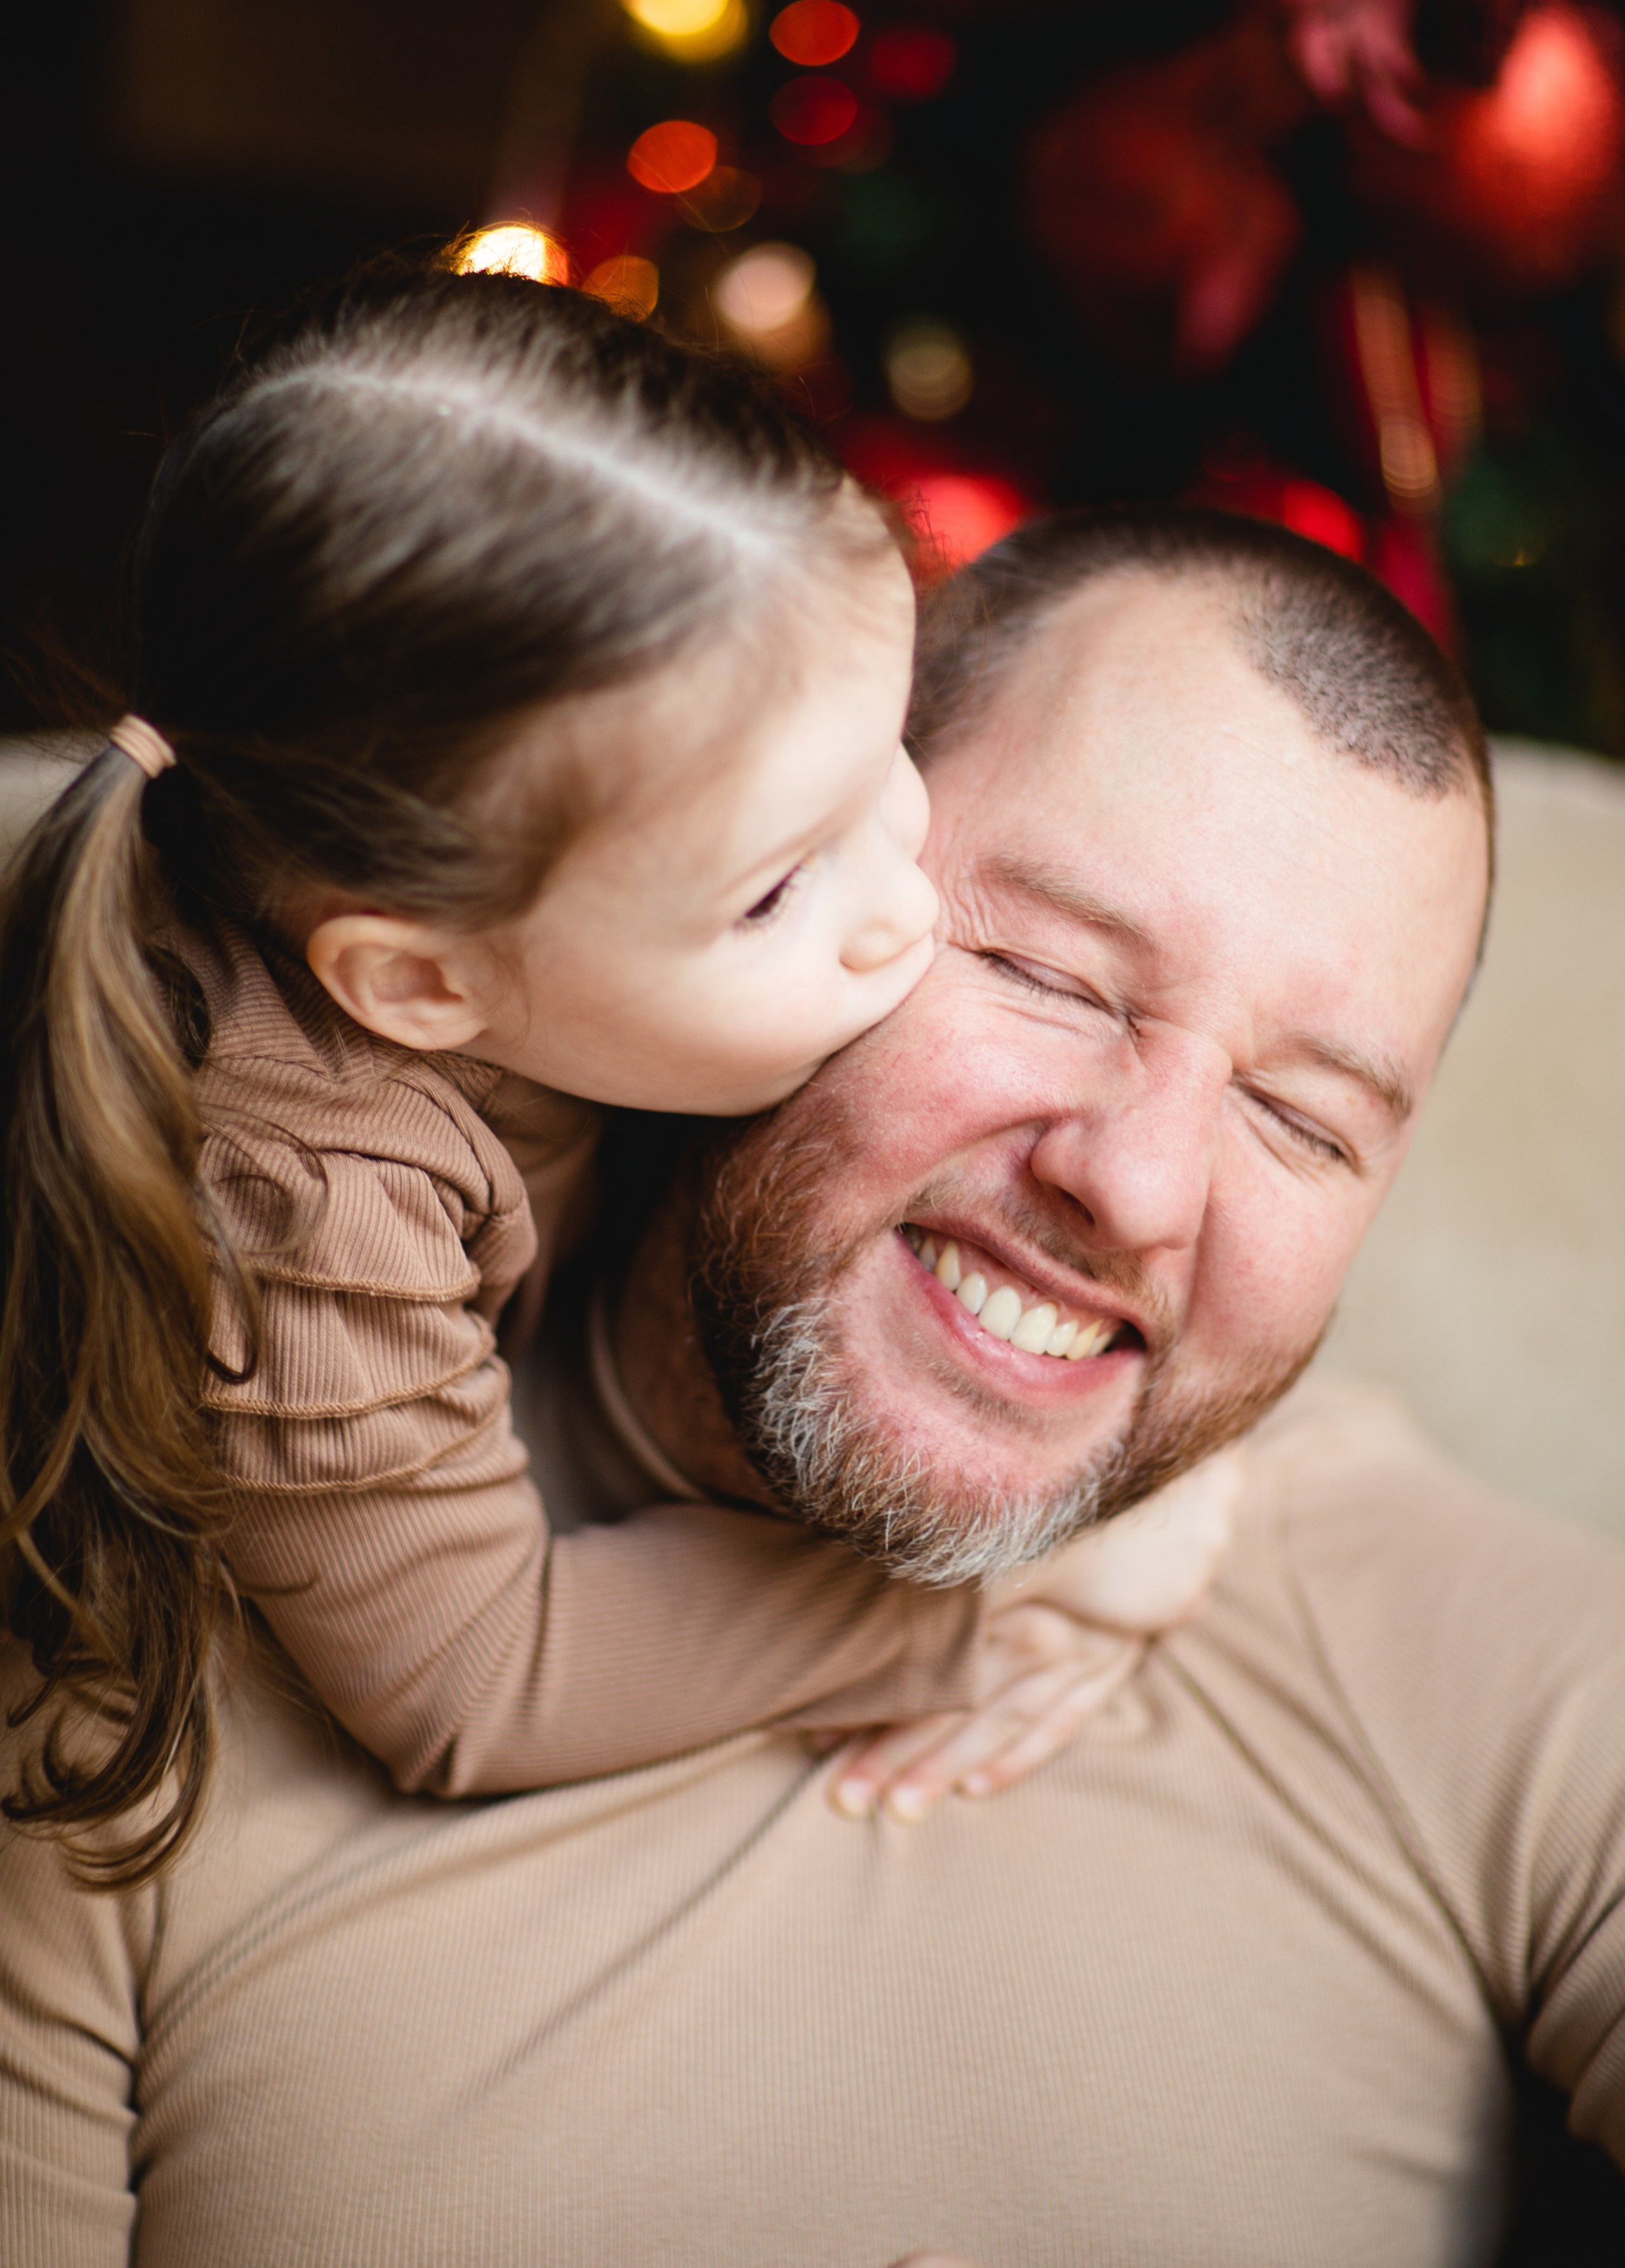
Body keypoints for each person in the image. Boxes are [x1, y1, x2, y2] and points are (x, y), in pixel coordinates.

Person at [6, 505, 1625, 2268]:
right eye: (1046, 974)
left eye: (1305, 1119)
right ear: (764, 881)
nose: (1140, 1189)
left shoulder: (1479, 1658)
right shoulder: (129, 1636)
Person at [0, 265, 1218, 1887]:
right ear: (424, 984)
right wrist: (982, 1586)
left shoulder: (582, 903)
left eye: (889, 760)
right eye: (779, 885)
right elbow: (473, 1682)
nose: (904, 904)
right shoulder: (300, 1200)